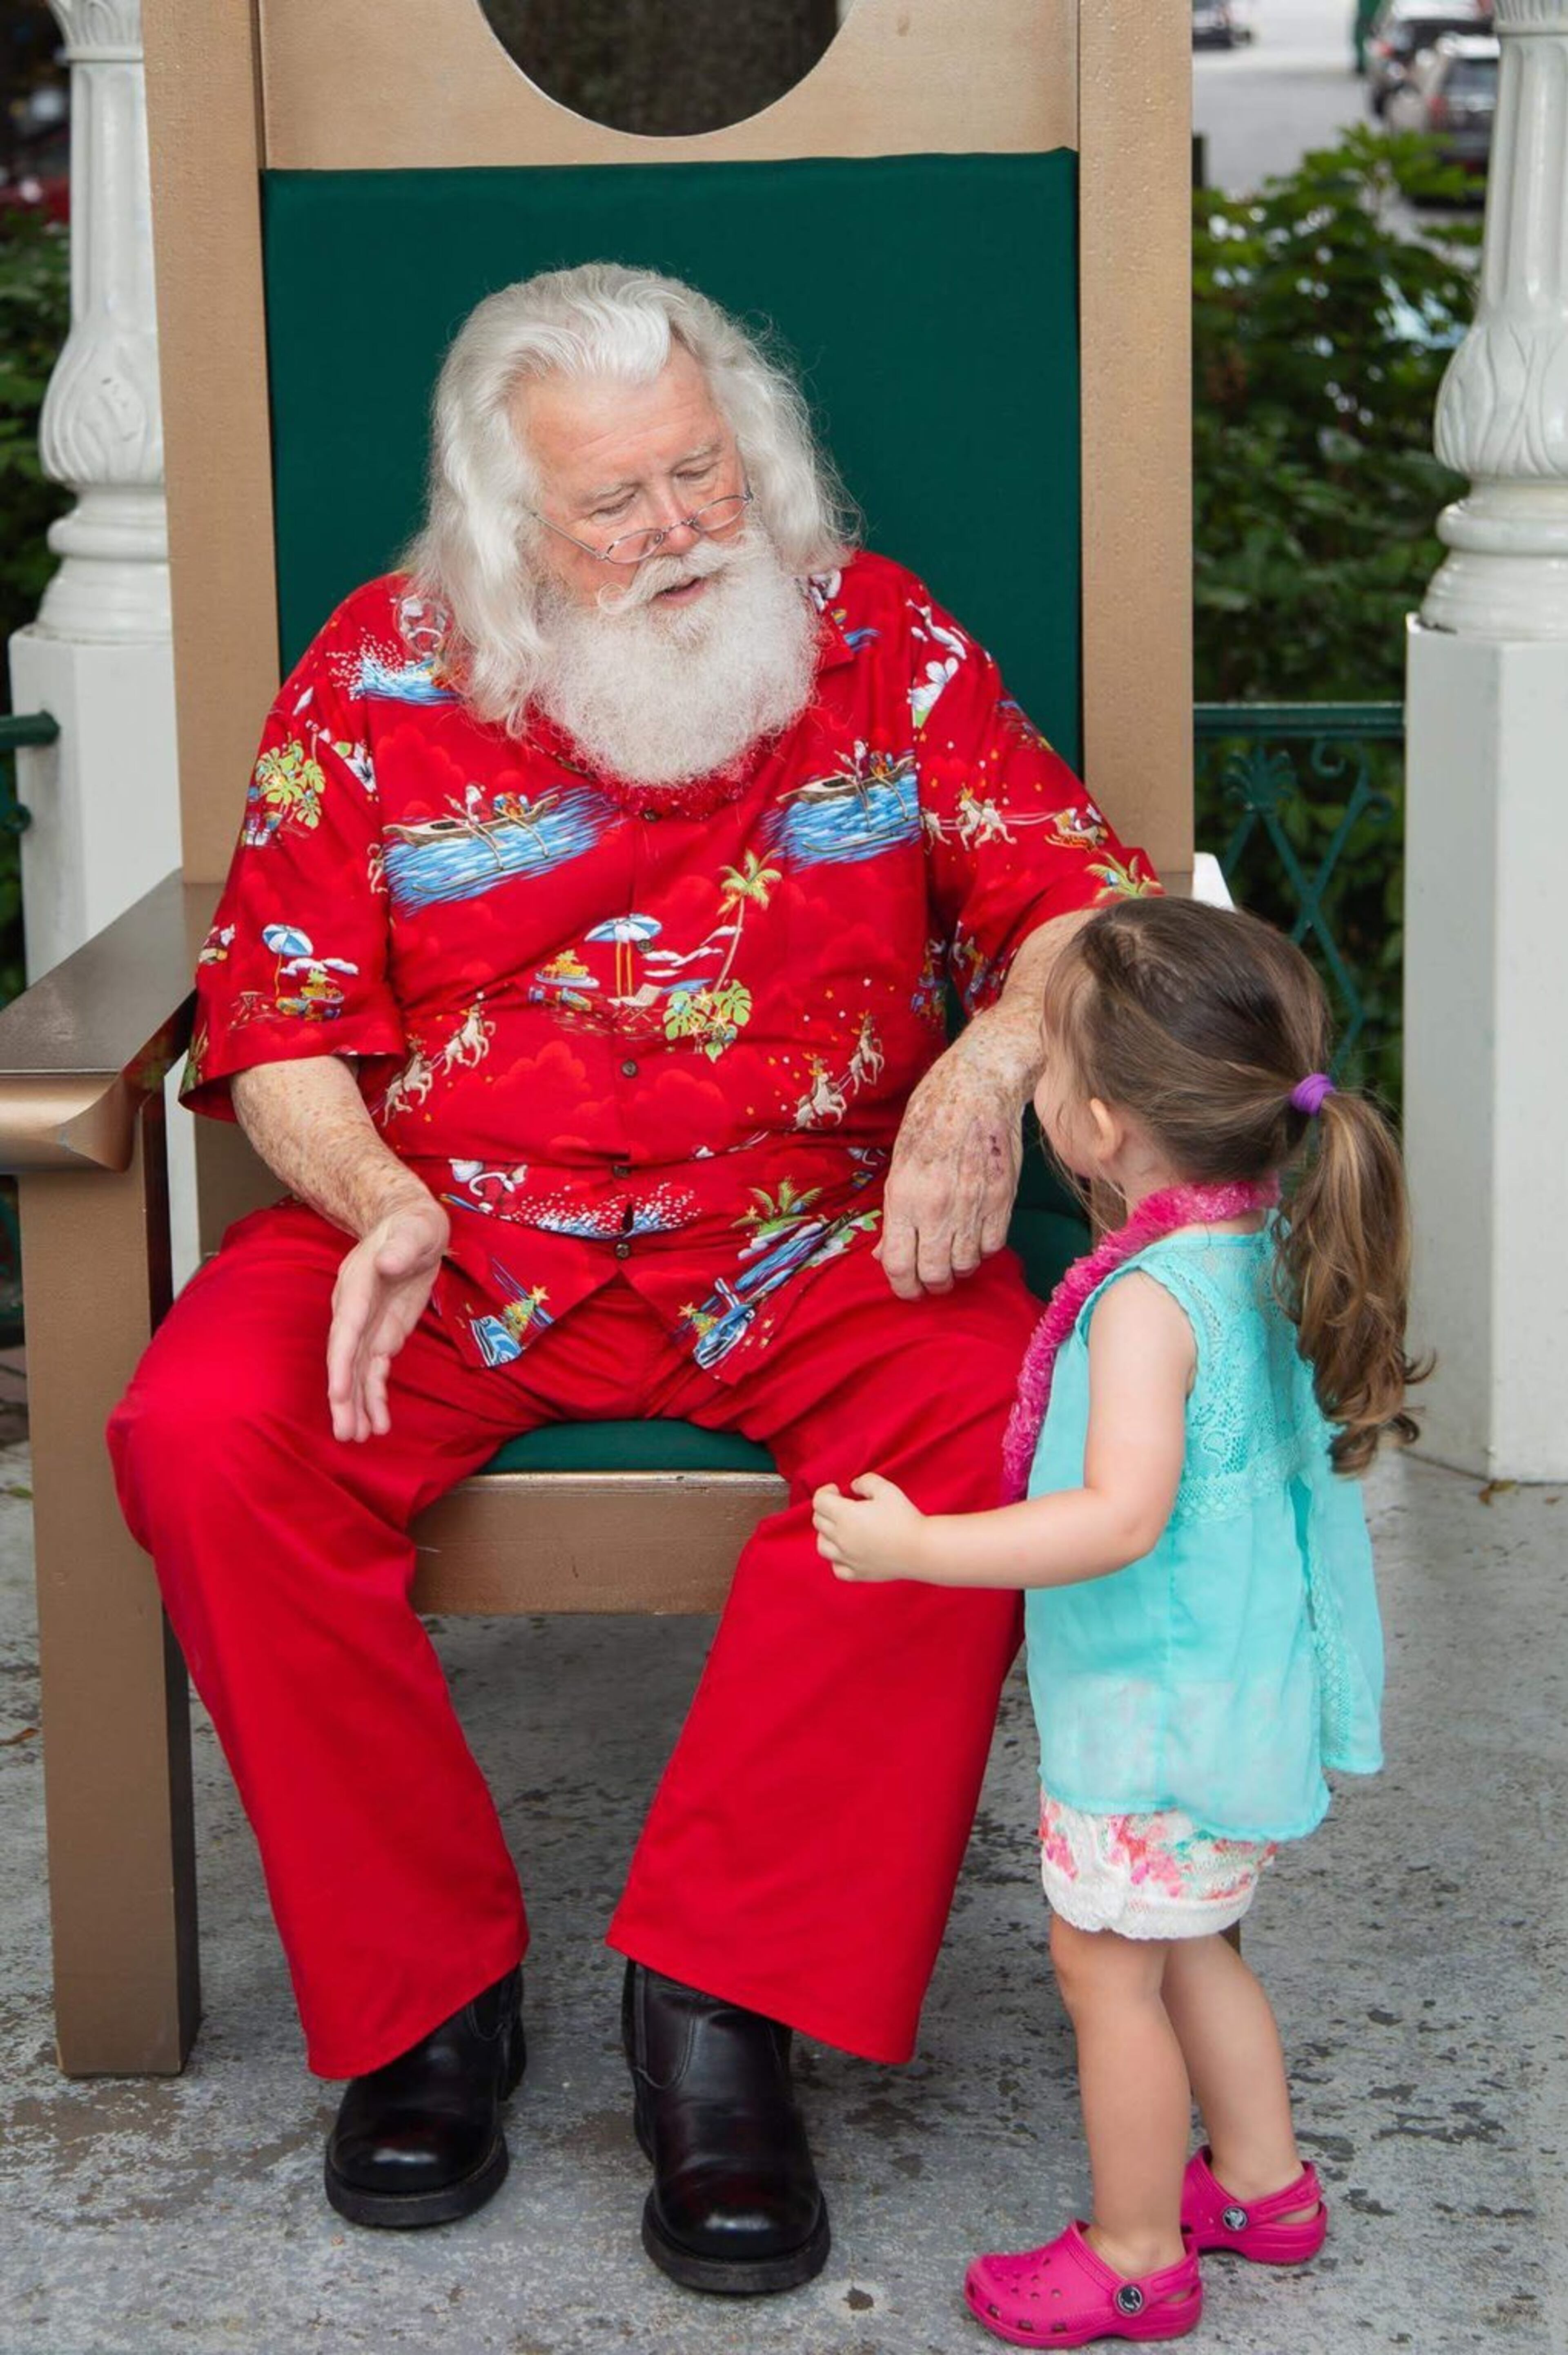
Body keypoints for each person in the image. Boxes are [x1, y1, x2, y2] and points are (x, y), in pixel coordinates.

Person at [106, 263, 1160, 2284]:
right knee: (207, 1430)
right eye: (616, 502)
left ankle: (722, 2002)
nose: (681, 529)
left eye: (703, 472)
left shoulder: (882, 636)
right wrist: (370, 1193)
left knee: (996, 1420)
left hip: (809, 1225)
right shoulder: (378, 670)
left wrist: (988, 1061)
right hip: (456, 1228)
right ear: (510, 522)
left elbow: (1075, 896)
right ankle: (426, 1999)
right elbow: (280, 1011)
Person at [814, 895, 1419, 2346]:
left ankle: (1139, 2251)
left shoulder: (1149, 1302)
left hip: (1153, 1717)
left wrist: (918, 1548)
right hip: (1230, 1695)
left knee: (1107, 1971)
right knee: (1199, 1945)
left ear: (1093, 1126)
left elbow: (1118, 1517)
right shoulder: (1266, 1243)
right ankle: (1264, 2188)